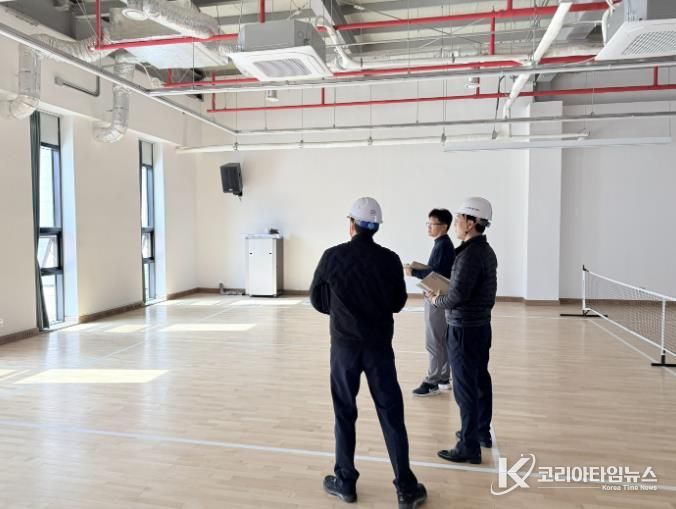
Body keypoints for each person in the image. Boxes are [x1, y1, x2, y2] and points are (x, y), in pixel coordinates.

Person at [310, 197, 427, 509]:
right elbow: (398, 303)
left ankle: (345, 482)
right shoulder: (390, 259)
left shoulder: (332, 256)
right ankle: (406, 487)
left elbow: (317, 300)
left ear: (352, 224)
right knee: (391, 413)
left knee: (344, 411)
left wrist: (341, 313)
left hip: (343, 347)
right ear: (375, 227)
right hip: (379, 348)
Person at [426, 197, 497, 464]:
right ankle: (480, 432)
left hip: (464, 329)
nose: (456, 223)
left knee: (465, 387)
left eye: (458, 219)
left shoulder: (470, 255)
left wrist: (437, 300)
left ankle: (468, 446)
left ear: (471, 222)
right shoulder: (483, 251)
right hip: (479, 326)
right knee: (479, 380)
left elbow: (458, 296)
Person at [404, 209, 455, 397]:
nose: (428, 227)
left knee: (433, 340)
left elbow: (437, 274)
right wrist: (418, 269)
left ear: (444, 226)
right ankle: (443, 378)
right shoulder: (442, 244)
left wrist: (414, 272)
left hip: (437, 298)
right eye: (428, 224)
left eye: (432, 224)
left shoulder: (443, 245)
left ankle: (432, 381)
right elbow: (437, 269)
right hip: (440, 297)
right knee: (441, 339)